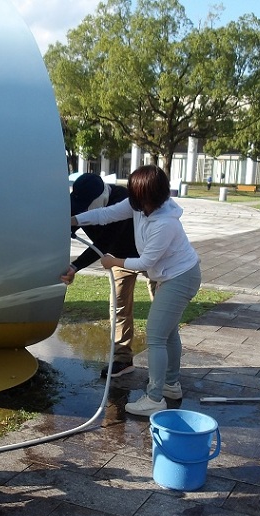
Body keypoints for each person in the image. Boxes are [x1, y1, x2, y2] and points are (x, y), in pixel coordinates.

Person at [72, 164, 201, 416]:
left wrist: (113, 261)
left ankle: (154, 398)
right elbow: (105, 215)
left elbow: (144, 263)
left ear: (150, 196)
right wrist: (75, 220)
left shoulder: (165, 223)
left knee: (155, 335)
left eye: (136, 195)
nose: (131, 200)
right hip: (173, 275)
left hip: (181, 277)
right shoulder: (138, 205)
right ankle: (171, 385)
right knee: (168, 332)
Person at [63, 173, 146, 378]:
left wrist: (75, 266)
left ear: (101, 199)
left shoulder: (124, 200)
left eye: (87, 207)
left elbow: (103, 243)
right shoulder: (79, 201)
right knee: (118, 308)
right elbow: (69, 225)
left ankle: (167, 363)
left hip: (149, 256)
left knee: (162, 309)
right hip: (120, 260)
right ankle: (122, 360)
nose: (82, 211)